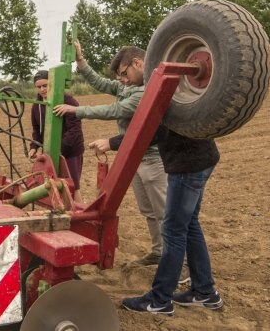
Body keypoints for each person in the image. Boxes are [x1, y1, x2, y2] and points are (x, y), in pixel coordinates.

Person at [53, 39, 167, 266]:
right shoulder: (129, 86)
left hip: (153, 160)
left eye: (124, 74)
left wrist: (77, 110)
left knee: (164, 212)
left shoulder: (145, 91)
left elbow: (114, 110)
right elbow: (101, 83)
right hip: (135, 157)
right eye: (120, 77)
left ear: (137, 63)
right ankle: (159, 252)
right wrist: (81, 61)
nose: (122, 80)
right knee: (149, 211)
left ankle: (178, 263)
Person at [89, 126, 223, 315]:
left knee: (172, 230)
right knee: (190, 224)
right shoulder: (186, 94)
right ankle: (204, 291)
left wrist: (112, 143)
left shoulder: (169, 97)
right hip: (203, 158)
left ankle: (159, 300)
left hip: (186, 164)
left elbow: (154, 131)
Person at [29, 70, 85, 200]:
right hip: (50, 152)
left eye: (45, 85)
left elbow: (74, 131)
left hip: (71, 152)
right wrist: (33, 147)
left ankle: (78, 217)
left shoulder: (69, 102)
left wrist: (58, 150)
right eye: (39, 87)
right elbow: (36, 130)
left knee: (72, 187)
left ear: (52, 84)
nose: (42, 89)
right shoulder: (36, 106)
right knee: (52, 185)